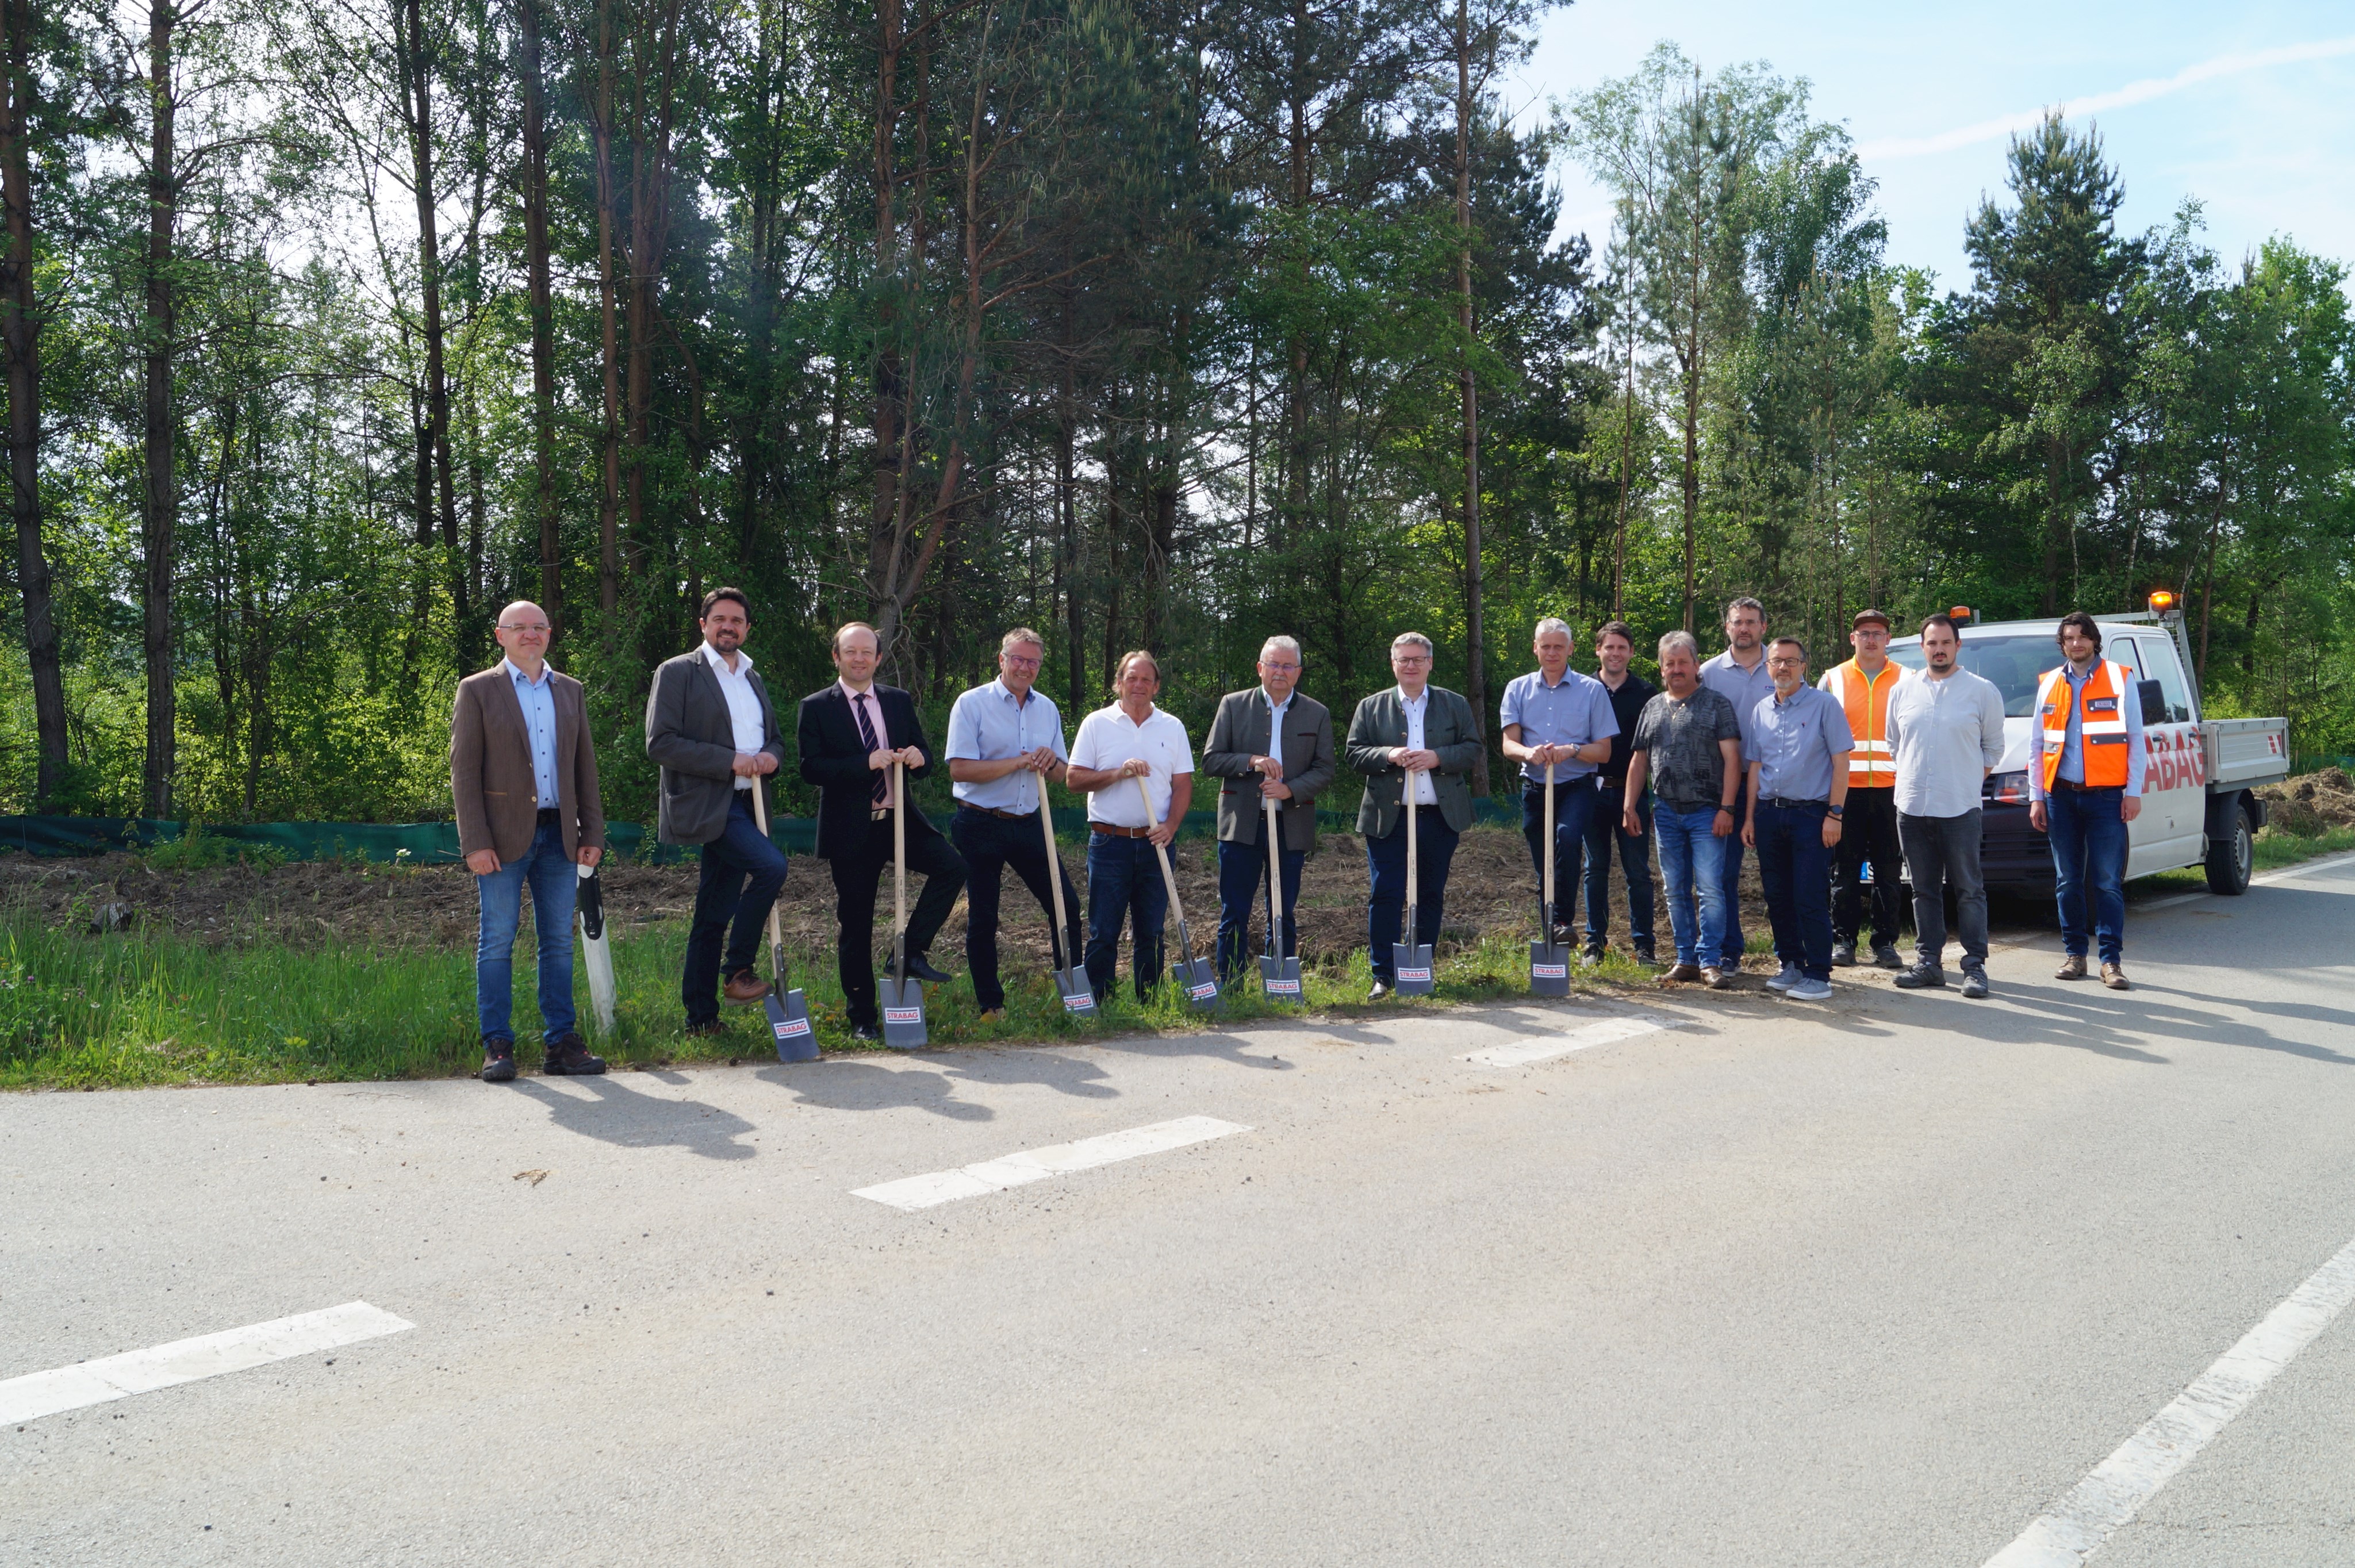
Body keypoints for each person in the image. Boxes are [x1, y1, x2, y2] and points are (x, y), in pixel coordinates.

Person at [452, 600, 607, 1081]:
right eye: (518, 627)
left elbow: (585, 768)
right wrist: (475, 841)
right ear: (500, 636)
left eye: (538, 626)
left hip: (561, 834)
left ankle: (561, 1043)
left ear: (550, 633)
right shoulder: (478, 690)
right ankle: (497, 1044)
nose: (530, 634)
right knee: (497, 940)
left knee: (558, 941)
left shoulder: (571, 691)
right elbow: (464, 771)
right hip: (499, 840)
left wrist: (592, 831)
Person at [796, 622, 969, 1040]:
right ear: (837, 657)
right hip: (851, 829)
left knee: (952, 867)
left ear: (878, 657)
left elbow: (926, 757)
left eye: (867, 652)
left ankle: (907, 953)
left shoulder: (897, 701)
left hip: (899, 820)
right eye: (850, 652)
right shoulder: (817, 705)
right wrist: (864, 763)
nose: (860, 659)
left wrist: (916, 756)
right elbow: (810, 768)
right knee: (855, 923)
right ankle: (862, 1019)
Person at [646, 588, 791, 1036]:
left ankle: (701, 1017)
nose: (729, 626)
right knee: (772, 868)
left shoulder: (753, 677)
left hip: (751, 803)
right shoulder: (677, 673)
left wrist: (770, 757)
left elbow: (776, 740)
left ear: (747, 628)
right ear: (704, 624)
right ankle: (738, 971)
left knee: (712, 913)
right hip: (711, 802)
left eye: (737, 620)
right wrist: (729, 759)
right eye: (720, 619)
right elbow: (661, 742)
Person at [944, 628, 1081, 1021]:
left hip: (1028, 822)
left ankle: (1073, 994)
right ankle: (991, 1005)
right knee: (984, 916)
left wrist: (1048, 760)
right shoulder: (971, 704)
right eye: (1018, 659)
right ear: (1001, 659)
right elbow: (960, 769)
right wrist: (1018, 762)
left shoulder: (1048, 709)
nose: (1025, 667)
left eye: (1033, 661)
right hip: (979, 822)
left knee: (1065, 904)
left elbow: (1062, 775)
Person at [1345, 632, 1483, 999]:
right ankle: (1384, 975)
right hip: (1386, 818)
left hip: (1439, 817)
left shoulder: (1454, 705)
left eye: (1418, 659)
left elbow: (1472, 749)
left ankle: (1420, 968)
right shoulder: (1371, 707)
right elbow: (1354, 753)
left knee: (1430, 894)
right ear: (1393, 664)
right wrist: (1389, 755)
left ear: (1430, 663)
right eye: (1404, 659)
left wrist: (1438, 757)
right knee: (1385, 894)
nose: (1411, 665)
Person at [1201, 636, 1336, 983]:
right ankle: (1231, 986)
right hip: (1241, 824)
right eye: (1274, 664)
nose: (1280, 672)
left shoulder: (1316, 713)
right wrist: (1252, 761)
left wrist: (1289, 789)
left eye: (1288, 665)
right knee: (1235, 911)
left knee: (1282, 909)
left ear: (1298, 672)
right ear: (1260, 668)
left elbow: (1325, 770)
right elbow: (1211, 760)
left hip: (1291, 823)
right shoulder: (1233, 705)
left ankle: (1279, 981)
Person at [1886, 613, 2007, 998]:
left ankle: (1974, 967)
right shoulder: (1902, 691)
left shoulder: (1982, 691)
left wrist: (1965, 779)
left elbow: (1994, 749)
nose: (1939, 649)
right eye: (1932, 643)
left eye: (1945, 643)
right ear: (1922, 647)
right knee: (1923, 890)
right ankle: (1929, 964)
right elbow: (1895, 743)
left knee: (1969, 889)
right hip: (1912, 807)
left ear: (1958, 646)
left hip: (1960, 808)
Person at [1064, 651, 1195, 1003]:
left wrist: (1170, 826)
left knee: (1151, 931)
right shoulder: (1096, 723)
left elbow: (1183, 784)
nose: (1139, 685)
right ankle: (1099, 1002)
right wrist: (1118, 773)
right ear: (1118, 683)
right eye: (1131, 679)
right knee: (1103, 931)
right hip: (1110, 843)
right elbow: (1074, 780)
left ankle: (1149, 1002)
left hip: (1157, 844)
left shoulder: (1172, 727)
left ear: (1156, 687)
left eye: (1146, 680)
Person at [2028, 609, 2145, 990]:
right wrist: (2036, 797)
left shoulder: (2121, 678)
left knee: (2108, 882)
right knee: (2067, 881)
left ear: (2094, 639)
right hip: (2060, 795)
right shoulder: (2047, 684)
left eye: (2082, 636)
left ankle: (2111, 961)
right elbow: (2036, 745)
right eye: (2068, 638)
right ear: (2061, 644)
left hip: (2108, 798)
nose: (2076, 643)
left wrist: (2134, 792)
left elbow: (2137, 742)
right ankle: (2075, 955)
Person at [1621, 632, 1742, 987]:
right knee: (1675, 890)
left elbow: (1733, 760)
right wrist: (1630, 805)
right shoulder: (1653, 707)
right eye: (1669, 663)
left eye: (1683, 662)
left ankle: (1710, 960)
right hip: (1666, 813)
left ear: (1695, 663)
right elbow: (1639, 760)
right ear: (1661, 668)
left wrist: (1727, 809)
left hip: (1708, 813)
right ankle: (1685, 959)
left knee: (1709, 889)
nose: (1676, 669)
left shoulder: (1716, 704)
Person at [1741, 637, 1852, 1002]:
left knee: (1809, 894)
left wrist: (1835, 814)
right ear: (1768, 667)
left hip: (1812, 815)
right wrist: (1750, 818)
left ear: (1804, 665)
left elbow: (1841, 763)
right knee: (1777, 895)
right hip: (1770, 814)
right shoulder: (1762, 710)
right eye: (1776, 662)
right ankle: (1790, 962)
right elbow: (1755, 767)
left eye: (1791, 661)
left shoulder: (1825, 705)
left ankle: (1818, 973)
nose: (1783, 668)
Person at [1499, 618, 1617, 941]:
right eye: (1546, 646)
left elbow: (1604, 752)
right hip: (1535, 787)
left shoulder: (1592, 691)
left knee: (1566, 839)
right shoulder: (1517, 689)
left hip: (1577, 786)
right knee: (1544, 865)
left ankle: (1563, 920)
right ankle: (1552, 934)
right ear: (1536, 648)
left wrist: (1572, 750)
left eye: (1559, 646)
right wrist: (1528, 753)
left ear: (1571, 649)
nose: (1552, 652)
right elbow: (1509, 744)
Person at [1819, 608, 1907, 970]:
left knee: (1889, 871)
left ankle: (1885, 943)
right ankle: (1844, 942)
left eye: (1878, 633)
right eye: (1864, 633)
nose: (1871, 639)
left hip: (1893, 791)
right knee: (1845, 871)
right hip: (1846, 793)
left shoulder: (1908, 678)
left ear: (1888, 639)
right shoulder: (1833, 679)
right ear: (1852, 639)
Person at [1700, 597, 1776, 970]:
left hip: (1772, 786)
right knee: (1723, 873)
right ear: (1727, 627)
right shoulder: (1709, 672)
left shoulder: (1781, 668)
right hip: (1725, 788)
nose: (1743, 628)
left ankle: (1789, 953)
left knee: (1778, 872)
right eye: (1737, 622)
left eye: (1750, 621)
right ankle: (1730, 949)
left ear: (1764, 626)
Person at [1583, 620, 1658, 967]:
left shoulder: (1646, 693)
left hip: (1634, 795)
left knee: (1638, 872)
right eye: (1609, 647)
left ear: (1631, 652)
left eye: (1622, 647)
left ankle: (1644, 947)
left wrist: (1635, 798)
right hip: (1589, 793)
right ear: (1598, 650)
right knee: (1595, 869)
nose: (1615, 653)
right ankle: (1594, 944)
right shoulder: (1582, 690)